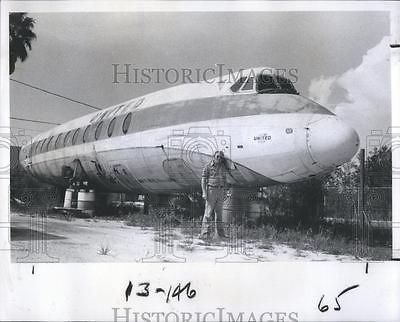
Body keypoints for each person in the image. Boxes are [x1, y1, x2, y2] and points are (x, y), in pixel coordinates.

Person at [199, 150, 230, 239]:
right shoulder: (208, 166)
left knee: (219, 214)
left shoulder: (223, 167)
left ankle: (220, 235)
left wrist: (225, 192)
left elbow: (225, 180)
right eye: (217, 157)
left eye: (221, 157)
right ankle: (205, 234)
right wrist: (204, 192)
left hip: (220, 191)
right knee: (208, 214)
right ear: (214, 157)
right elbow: (203, 180)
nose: (219, 159)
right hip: (211, 191)